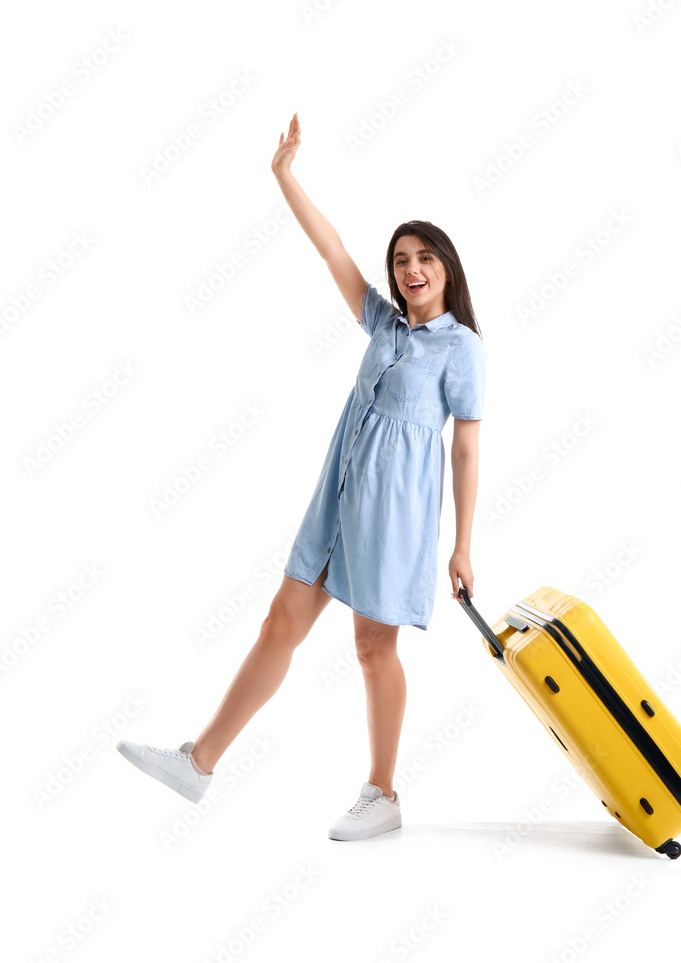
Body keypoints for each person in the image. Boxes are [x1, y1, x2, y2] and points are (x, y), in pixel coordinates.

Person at [116, 112, 487, 841]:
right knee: (279, 623)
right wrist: (285, 175)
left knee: (372, 648)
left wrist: (463, 545)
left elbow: (467, 449)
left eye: (424, 259)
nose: (410, 269)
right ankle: (200, 760)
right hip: (338, 499)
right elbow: (332, 252)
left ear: (446, 268)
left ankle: (382, 794)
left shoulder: (462, 348)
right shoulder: (384, 327)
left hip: (396, 513)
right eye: (401, 260)